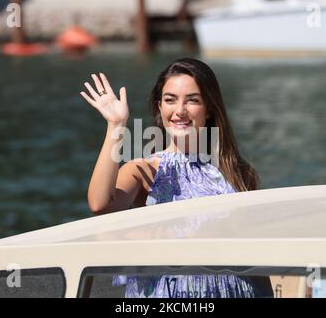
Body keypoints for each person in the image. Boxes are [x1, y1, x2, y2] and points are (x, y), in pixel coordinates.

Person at [80, 58, 273, 298]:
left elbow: (254, 252)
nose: (180, 111)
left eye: (192, 100)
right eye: (170, 100)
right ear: (160, 108)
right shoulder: (143, 170)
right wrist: (116, 125)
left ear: (209, 108)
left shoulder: (237, 171)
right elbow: (100, 204)